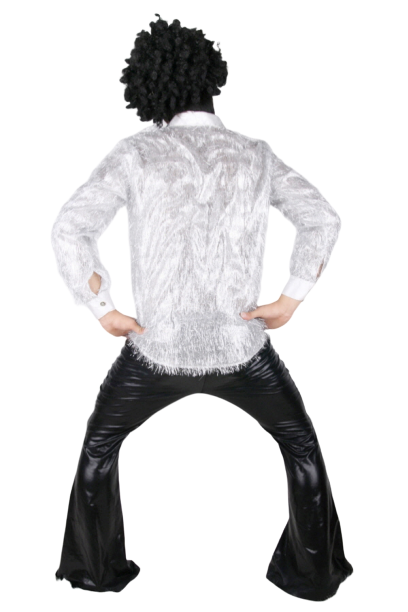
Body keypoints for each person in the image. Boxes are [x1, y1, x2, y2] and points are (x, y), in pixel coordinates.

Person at [51, 13, 354, 598]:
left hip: (155, 349)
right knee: (301, 447)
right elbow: (322, 217)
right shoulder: (255, 153)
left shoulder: (134, 153)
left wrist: (101, 307)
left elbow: (70, 227)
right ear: (214, 78)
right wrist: (290, 298)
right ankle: (313, 576)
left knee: (98, 448)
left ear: (146, 87)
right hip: (242, 347)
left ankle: (94, 571)